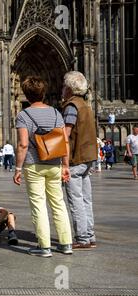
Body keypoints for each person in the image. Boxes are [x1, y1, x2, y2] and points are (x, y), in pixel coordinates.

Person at [14, 76, 73, 257]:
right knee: (58, 203)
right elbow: (65, 141)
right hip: (54, 162)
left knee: (38, 204)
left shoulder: (23, 115)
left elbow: (23, 144)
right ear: (43, 92)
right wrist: (65, 165)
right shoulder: (56, 113)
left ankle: (44, 246)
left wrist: (17, 168)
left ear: (27, 94)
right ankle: (66, 244)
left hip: (33, 164)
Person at [61, 71, 98, 250]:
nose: (62, 89)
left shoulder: (71, 106)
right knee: (86, 200)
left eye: (63, 86)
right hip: (88, 157)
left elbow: (65, 136)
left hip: (76, 159)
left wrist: (64, 164)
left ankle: (82, 238)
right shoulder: (86, 105)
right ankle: (90, 236)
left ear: (69, 88)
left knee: (76, 200)